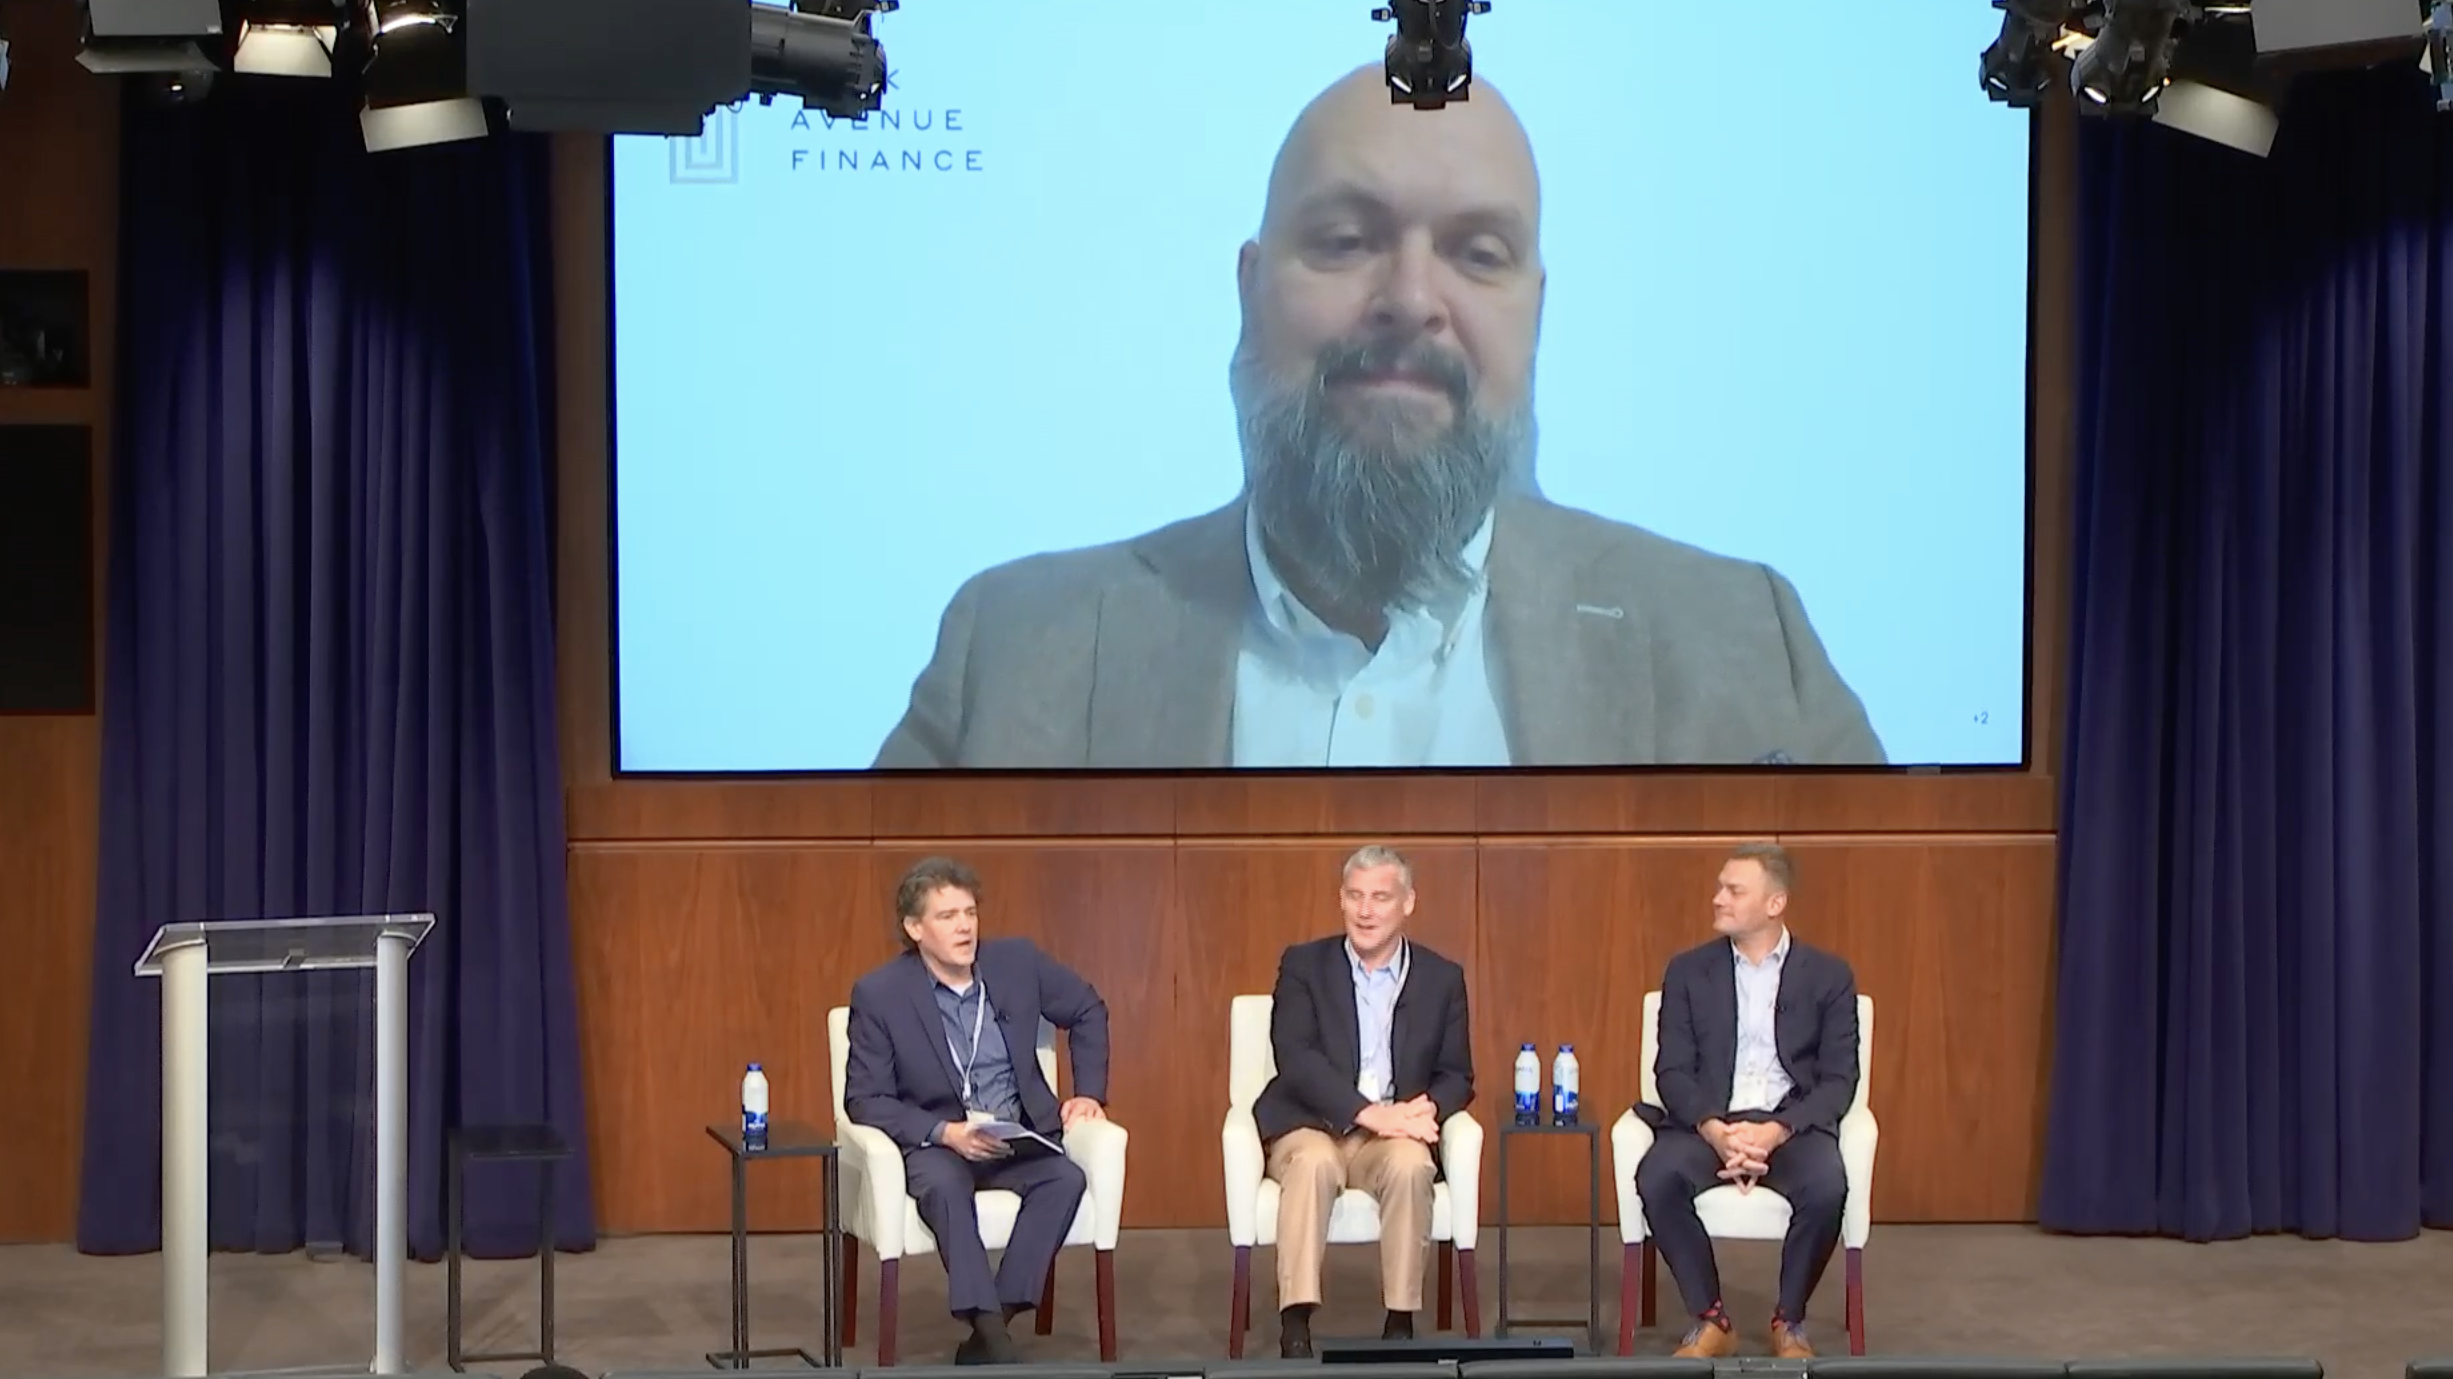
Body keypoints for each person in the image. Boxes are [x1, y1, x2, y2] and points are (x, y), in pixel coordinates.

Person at [873, 66, 1881, 770]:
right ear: (1248, 289)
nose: (1409, 297)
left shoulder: (1743, 646)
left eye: (1477, 253)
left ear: (1536, 313)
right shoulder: (1009, 652)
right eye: (1347, 239)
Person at [842, 857, 1111, 1364]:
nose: (965, 925)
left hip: (1015, 1134)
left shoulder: (1016, 963)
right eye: (947, 916)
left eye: (969, 912)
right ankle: (993, 1335)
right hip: (940, 1141)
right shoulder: (880, 994)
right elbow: (864, 1098)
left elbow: (1087, 1009)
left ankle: (994, 1328)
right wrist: (944, 1132)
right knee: (943, 1188)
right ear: (914, 928)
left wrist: (1089, 1092)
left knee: (1065, 1179)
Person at [1631, 842, 1859, 1361]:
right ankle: (1711, 1318)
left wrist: (1776, 1132)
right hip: (1711, 1124)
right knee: (1657, 1176)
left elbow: (1838, 1081)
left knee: (1827, 1186)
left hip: (1789, 1126)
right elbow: (1671, 1072)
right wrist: (1717, 1131)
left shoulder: (1830, 976)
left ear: (1774, 904)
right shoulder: (1688, 971)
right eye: (1720, 887)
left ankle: (1789, 1320)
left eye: (1734, 890)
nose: (1718, 898)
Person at [1253, 845, 1474, 1358]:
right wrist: (1369, 1112)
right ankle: (1296, 1323)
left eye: (1379, 897)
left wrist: (1426, 1111)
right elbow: (1296, 1057)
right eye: (1354, 897)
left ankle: (1400, 1322)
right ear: (1341, 901)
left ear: (1408, 903)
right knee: (1310, 1163)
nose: (1365, 910)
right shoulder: (1304, 964)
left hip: (1391, 1133)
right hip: (1313, 1122)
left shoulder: (1442, 978)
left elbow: (1457, 1074)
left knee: (1412, 1165)